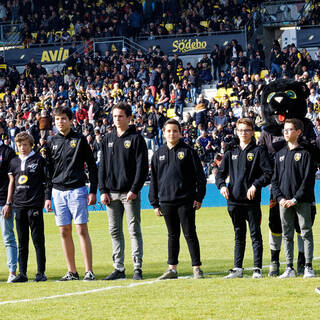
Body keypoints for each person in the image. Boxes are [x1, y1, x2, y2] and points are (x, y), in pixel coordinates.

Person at [44, 106, 98, 281]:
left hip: (77, 190)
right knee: (64, 232)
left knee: (81, 229)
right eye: (57, 119)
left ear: (70, 120)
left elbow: (92, 165)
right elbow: (48, 172)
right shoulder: (51, 141)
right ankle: (72, 271)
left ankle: (88, 271)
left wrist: (93, 191)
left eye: (64, 119)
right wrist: (47, 196)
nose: (60, 122)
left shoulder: (80, 139)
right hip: (58, 192)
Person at [149, 119, 206, 279]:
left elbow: (200, 177)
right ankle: (172, 269)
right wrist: (154, 202)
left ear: (180, 133)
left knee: (189, 233)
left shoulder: (188, 151)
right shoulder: (158, 154)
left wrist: (199, 196)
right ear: (164, 133)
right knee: (172, 234)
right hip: (166, 201)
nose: (172, 134)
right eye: (169, 131)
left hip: (185, 200)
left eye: (175, 131)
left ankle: (196, 268)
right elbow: (154, 179)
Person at [216, 118, 273, 278]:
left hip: (251, 202)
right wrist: (222, 186)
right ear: (236, 131)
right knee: (239, 234)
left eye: (247, 130)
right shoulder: (231, 151)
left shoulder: (259, 151)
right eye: (240, 130)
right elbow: (220, 174)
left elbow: (268, 173)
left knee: (255, 234)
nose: (243, 133)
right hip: (233, 201)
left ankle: (257, 269)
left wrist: (255, 185)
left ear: (252, 132)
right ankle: (238, 268)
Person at [98, 102, 148, 280]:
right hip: (110, 194)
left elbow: (142, 168)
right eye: (114, 116)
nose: (117, 119)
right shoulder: (107, 139)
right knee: (114, 231)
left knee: (133, 229)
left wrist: (134, 189)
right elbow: (102, 166)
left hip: (129, 193)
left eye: (120, 116)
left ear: (129, 118)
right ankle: (118, 268)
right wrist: (102, 190)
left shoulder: (136, 139)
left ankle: (137, 267)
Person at [272, 119, 315, 278]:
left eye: (290, 129)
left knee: (305, 232)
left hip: (301, 201)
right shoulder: (280, 155)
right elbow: (274, 180)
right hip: (283, 202)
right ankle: (289, 267)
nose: (286, 132)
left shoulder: (305, 154)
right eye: (285, 129)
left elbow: (307, 181)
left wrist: (295, 199)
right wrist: (280, 198)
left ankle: (308, 267)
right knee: (286, 234)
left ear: (298, 132)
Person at [8, 132, 47, 282]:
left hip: (34, 205)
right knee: (22, 242)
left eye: (25, 145)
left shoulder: (38, 160)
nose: (22, 148)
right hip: (19, 206)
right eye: (19, 145)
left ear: (31, 145)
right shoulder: (14, 162)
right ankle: (22, 274)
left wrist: (43, 201)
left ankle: (40, 273)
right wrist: (10, 203)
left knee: (38, 241)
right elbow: (13, 183)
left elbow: (45, 183)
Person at [0, 124, 18, 282]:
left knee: (8, 236)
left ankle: (12, 272)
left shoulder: (7, 152)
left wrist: (8, 202)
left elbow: (13, 179)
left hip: (3, 201)